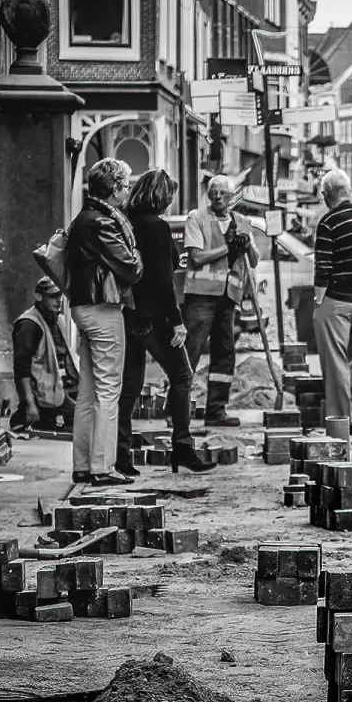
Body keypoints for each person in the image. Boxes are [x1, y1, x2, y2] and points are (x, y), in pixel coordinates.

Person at [115, 169, 216, 476]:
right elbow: (161, 281)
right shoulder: (156, 227)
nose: (171, 201)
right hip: (153, 317)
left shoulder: (127, 222)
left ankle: (121, 454)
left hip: (129, 314)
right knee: (182, 375)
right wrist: (175, 321)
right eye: (169, 196)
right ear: (159, 196)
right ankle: (182, 447)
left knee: (130, 386)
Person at [66, 158, 144, 486]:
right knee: (109, 389)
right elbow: (131, 268)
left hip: (83, 307)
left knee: (88, 391)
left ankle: (84, 465)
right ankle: (103, 467)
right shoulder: (103, 222)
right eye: (125, 185)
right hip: (102, 308)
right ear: (112, 189)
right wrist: (137, 255)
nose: (127, 190)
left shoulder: (83, 218)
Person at [182, 175, 260, 427]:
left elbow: (254, 260)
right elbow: (196, 258)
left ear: (232, 195)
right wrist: (229, 246)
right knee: (191, 352)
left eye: (223, 193)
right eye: (213, 192)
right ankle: (177, 410)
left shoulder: (242, 223)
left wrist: (247, 246)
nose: (217, 196)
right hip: (201, 298)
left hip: (228, 299)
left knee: (224, 354)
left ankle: (215, 411)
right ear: (208, 195)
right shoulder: (197, 218)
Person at [313, 169, 352, 436]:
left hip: (338, 300)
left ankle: (340, 419)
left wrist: (318, 301)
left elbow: (323, 267)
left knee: (336, 362)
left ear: (327, 193)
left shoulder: (328, 223)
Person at [10, 277, 78, 432]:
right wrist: (30, 403)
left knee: (84, 418)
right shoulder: (28, 324)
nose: (58, 300)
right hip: (40, 396)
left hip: (56, 392)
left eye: (60, 295)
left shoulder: (55, 319)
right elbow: (21, 369)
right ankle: (25, 416)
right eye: (53, 296)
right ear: (39, 297)